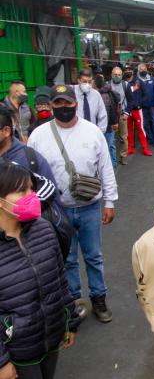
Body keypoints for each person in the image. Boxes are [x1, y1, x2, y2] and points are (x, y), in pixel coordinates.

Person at [27, 85, 119, 324]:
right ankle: (75, 303)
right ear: (52, 105)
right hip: (57, 210)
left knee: (93, 256)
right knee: (66, 259)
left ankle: (99, 298)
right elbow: (31, 174)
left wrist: (110, 201)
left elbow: (106, 169)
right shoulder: (38, 135)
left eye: (67, 103)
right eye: (58, 103)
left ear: (75, 104)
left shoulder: (92, 132)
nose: (63, 108)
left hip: (89, 207)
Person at [0, 161, 80, 379]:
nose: (32, 196)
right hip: (17, 352)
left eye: (31, 189)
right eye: (21, 190)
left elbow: (60, 280)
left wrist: (70, 321)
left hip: (51, 338)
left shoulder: (44, 229)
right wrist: (2, 362)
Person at [94, 74, 120, 170]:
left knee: (107, 146)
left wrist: (110, 124)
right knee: (111, 146)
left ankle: (111, 166)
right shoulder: (107, 91)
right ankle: (113, 163)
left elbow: (106, 113)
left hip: (107, 126)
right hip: (110, 125)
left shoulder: (102, 95)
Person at [125, 67, 153, 157]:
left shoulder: (139, 82)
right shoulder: (123, 83)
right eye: (126, 70)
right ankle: (130, 148)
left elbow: (146, 94)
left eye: (130, 70)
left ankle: (145, 148)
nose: (128, 72)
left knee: (141, 129)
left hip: (137, 110)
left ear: (133, 72)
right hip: (127, 111)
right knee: (128, 130)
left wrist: (139, 103)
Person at [108, 67, 132, 165]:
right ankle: (112, 158)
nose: (117, 76)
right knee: (111, 138)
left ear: (122, 75)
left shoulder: (125, 85)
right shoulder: (107, 85)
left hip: (122, 115)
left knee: (123, 137)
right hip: (111, 116)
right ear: (111, 75)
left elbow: (131, 100)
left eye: (119, 75)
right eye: (115, 74)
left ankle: (124, 156)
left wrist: (127, 113)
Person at [73, 68, 108, 132]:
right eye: (84, 81)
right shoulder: (71, 92)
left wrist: (99, 132)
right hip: (75, 132)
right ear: (79, 80)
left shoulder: (96, 95)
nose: (87, 84)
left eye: (89, 82)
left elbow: (102, 115)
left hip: (92, 132)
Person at [138, 63, 154, 148]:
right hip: (142, 107)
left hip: (152, 106)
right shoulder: (137, 81)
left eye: (144, 69)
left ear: (147, 70)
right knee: (145, 124)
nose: (143, 70)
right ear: (138, 70)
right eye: (141, 69)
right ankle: (150, 139)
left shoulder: (153, 79)